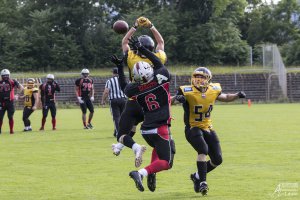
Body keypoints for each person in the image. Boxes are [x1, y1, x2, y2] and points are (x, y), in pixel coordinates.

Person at [112, 37, 175, 192]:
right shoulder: (162, 79)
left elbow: (124, 86)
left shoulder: (135, 90)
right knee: (167, 162)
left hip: (146, 130)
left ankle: (148, 171)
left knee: (157, 147)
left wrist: (120, 67)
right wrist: (143, 49)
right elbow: (159, 63)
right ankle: (141, 173)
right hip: (160, 127)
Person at [172, 67, 246, 196]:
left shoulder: (214, 89)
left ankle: (196, 176)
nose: (198, 79)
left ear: (208, 79)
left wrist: (237, 95)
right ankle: (203, 183)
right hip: (192, 127)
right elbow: (171, 101)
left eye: (201, 77)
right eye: (196, 76)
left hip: (208, 127)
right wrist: (177, 99)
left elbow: (225, 97)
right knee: (203, 150)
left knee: (217, 160)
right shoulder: (186, 91)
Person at [111, 16, 167, 156]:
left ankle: (132, 146)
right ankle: (119, 146)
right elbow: (161, 42)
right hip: (154, 100)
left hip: (136, 96)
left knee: (124, 129)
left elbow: (124, 42)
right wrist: (151, 26)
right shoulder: (158, 58)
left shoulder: (131, 58)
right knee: (135, 123)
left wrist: (135, 26)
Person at [101, 68, 127, 137]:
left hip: (114, 100)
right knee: (122, 117)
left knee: (116, 117)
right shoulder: (123, 80)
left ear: (113, 73)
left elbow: (106, 91)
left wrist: (103, 100)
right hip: (123, 99)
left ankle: (119, 133)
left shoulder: (110, 81)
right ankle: (118, 132)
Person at [0, 69, 24, 134]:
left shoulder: (12, 81)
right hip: (1, 102)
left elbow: (21, 87)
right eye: (3, 75)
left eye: (6, 75)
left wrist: (17, 94)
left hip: (10, 102)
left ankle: (11, 130)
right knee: (0, 117)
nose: (5, 77)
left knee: (10, 116)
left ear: (9, 75)